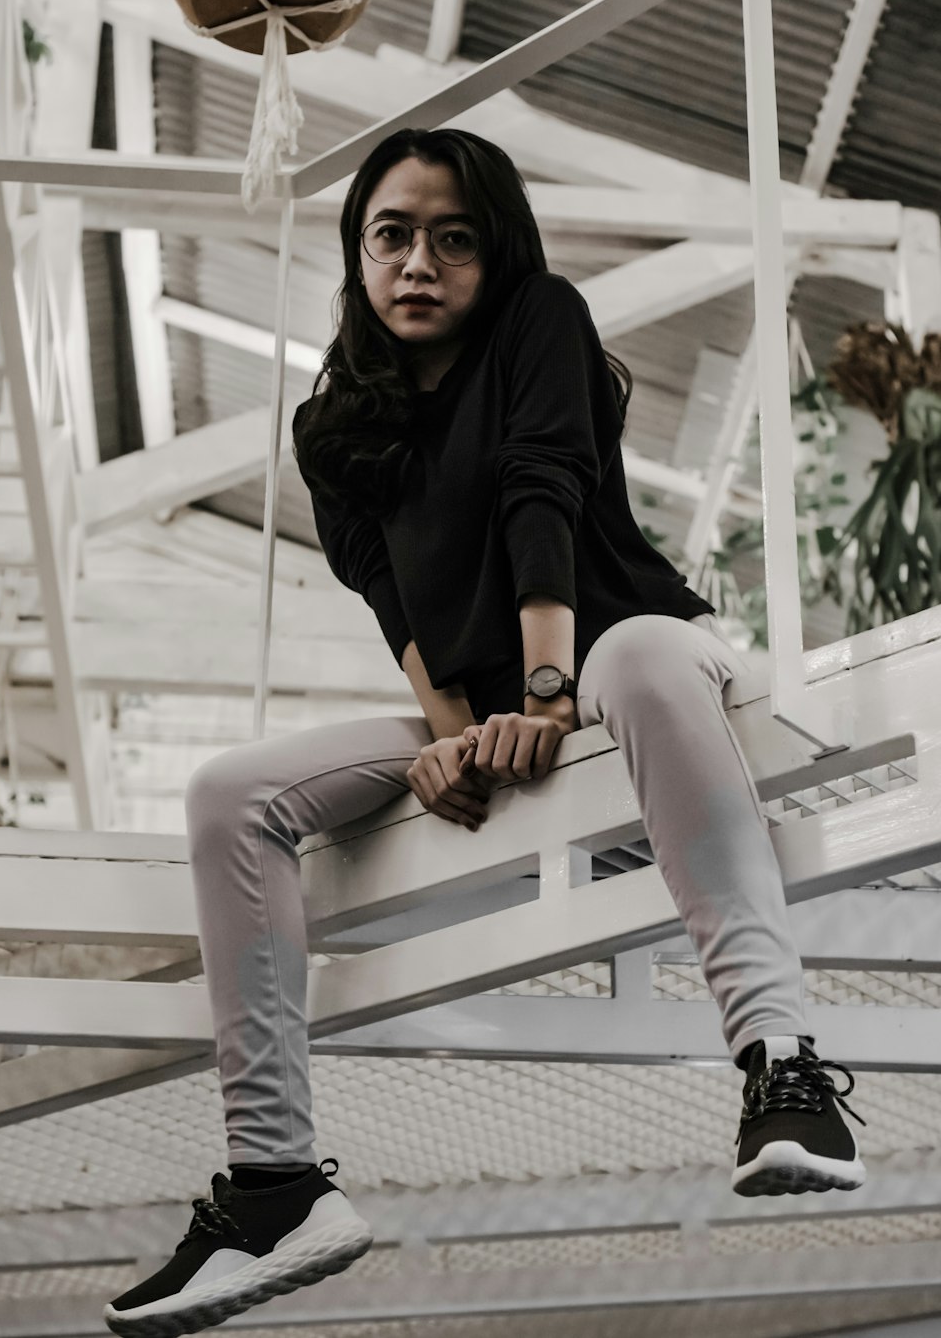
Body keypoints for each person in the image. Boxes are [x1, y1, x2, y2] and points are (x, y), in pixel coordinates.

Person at [105, 127, 866, 1338]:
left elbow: (541, 492)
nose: (420, 262)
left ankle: (778, 1067)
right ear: (356, 256)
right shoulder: (332, 426)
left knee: (649, 657)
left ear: (492, 251)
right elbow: (398, 609)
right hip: (502, 708)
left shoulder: (539, 321)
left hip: (626, 658)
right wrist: (457, 736)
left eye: (453, 239)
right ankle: (276, 1185)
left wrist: (547, 699)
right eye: (391, 236)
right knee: (227, 793)